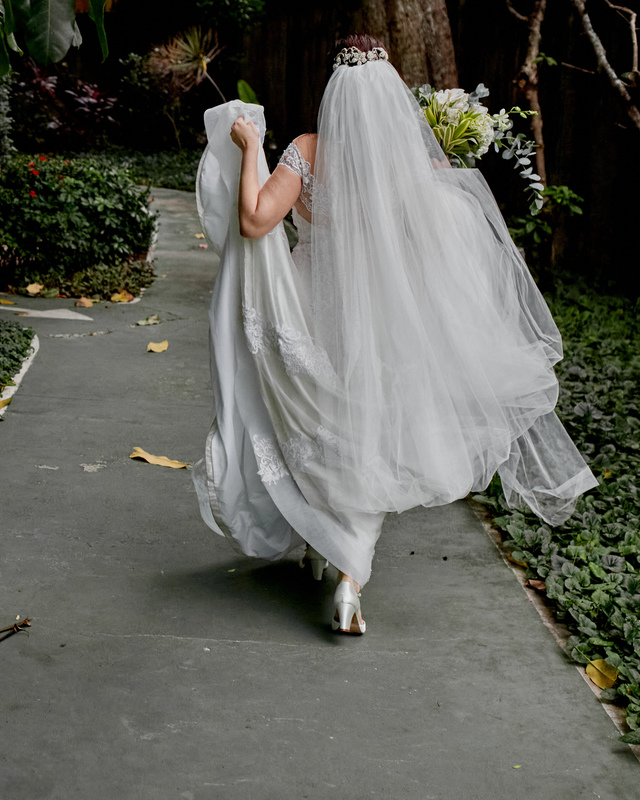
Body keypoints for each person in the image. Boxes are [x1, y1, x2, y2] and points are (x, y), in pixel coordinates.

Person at [192, 34, 597, 634]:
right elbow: (436, 245)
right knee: (370, 442)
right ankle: (346, 579)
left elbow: (254, 221)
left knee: (314, 429)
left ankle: (336, 555)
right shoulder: (409, 162)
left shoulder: (306, 150)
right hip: (383, 320)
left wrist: (251, 147)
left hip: (313, 309)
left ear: (333, 91)